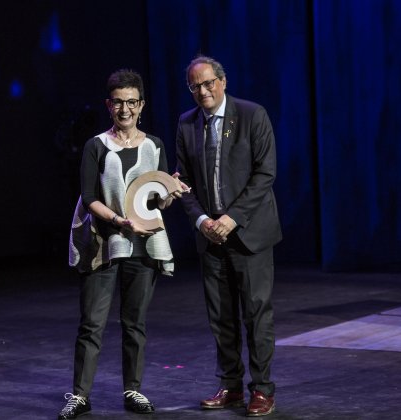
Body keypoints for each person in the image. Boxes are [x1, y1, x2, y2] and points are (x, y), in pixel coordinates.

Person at [60, 69, 184, 419]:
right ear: (108, 105)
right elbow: (88, 198)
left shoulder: (154, 145)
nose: (125, 109)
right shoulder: (96, 145)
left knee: (135, 322)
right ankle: (80, 395)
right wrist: (118, 222)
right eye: (118, 102)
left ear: (141, 105)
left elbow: (156, 200)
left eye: (131, 102)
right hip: (105, 243)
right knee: (92, 323)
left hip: (144, 246)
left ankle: (134, 389)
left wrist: (169, 193)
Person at [175, 55, 282, 417]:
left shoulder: (253, 115)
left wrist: (232, 218)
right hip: (210, 238)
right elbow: (182, 183)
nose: (202, 91)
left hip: (248, 234)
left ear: (222, 81)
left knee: (256, 315)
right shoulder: (187, 124)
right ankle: (231, 386)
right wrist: (203, 220)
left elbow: (265, 174)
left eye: (208, 83)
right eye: (195, 86)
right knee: (221, 317)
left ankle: (262, 389)